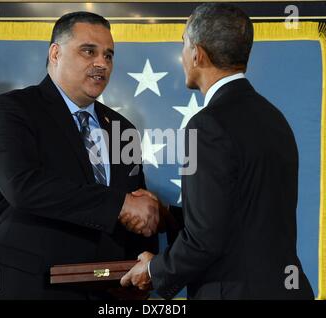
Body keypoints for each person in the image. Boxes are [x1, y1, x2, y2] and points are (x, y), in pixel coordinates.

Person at [120, 3, 314, 300]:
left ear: (197, 54)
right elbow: (241, 216)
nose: (182, 53)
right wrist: (168, 216)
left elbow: (206, 240)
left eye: (183, 43)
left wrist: (152, 271)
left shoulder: (207, 124)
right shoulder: (274, 118)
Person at [0, 11, 160, 299]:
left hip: (101, 292)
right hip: (21, 288)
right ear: (55, 53)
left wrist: (144, 263)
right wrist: (119, 204)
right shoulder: (12, 110)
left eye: (109, 55)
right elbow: (24, 187)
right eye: (89, 51)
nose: (101, 63)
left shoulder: (121, 128)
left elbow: (136, 209)